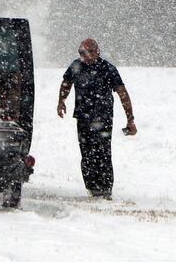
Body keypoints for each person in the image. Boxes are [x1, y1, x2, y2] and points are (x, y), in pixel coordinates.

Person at [57, 39, 136, 199]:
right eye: (81, 53)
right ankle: (93, 186)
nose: (84, 56)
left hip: (104, 118)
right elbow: (66, 83)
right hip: (83, 117)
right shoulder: (76, 66)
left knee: (103, 153)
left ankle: (105, 188)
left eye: (88, 52)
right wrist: (61, 101)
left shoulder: (108, 69)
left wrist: (130, 119)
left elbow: (123, 94)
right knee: (87, 153)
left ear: (97, 51)